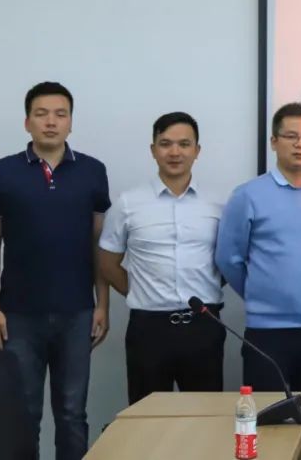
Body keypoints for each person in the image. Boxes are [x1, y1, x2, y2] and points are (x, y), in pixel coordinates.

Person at [0, 81, 111, 460]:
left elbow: (99, 244)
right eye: (41, 114)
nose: (51, 122)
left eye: (60, 114)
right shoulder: (2, 172)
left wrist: (102, 304)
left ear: (70, 122)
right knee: (24, 415)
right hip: (18, 315)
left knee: (72, 414)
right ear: (27, 122)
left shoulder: (92, 171)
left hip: (77, 313)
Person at [99, 112, 227, 405]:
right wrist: (142, 291)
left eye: (184, 144)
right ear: (153, 150)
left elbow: (227, 262)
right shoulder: (128, 203)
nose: (175, 152)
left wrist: (206, 286)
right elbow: (107, 262)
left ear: (197, 150)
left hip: (203, 326)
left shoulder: (218, 204)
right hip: (149, 329)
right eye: (165, 143)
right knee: (147, 418)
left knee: (205, 416)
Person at [215, 102, 301, 391]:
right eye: (291, 136)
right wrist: (260, 293)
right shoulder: (248, 194)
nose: (300, 144)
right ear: (274, 142)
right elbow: (228, 258)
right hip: (266, 331)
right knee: (269, 414)